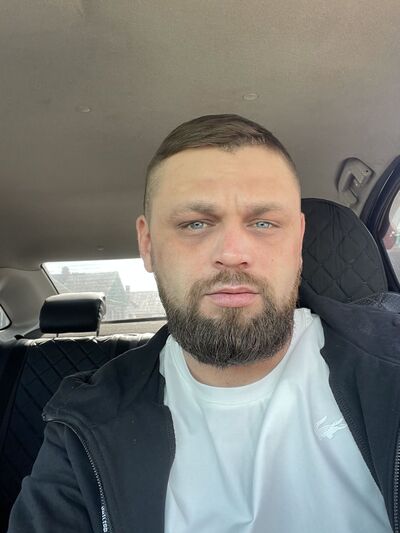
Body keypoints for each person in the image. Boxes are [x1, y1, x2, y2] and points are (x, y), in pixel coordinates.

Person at [8, 115, 398, 533]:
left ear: (298, 239)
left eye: (264, 223)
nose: (232, 253)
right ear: (148, 244)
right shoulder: (80, 429)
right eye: (195, 223)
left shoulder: (390, 365)